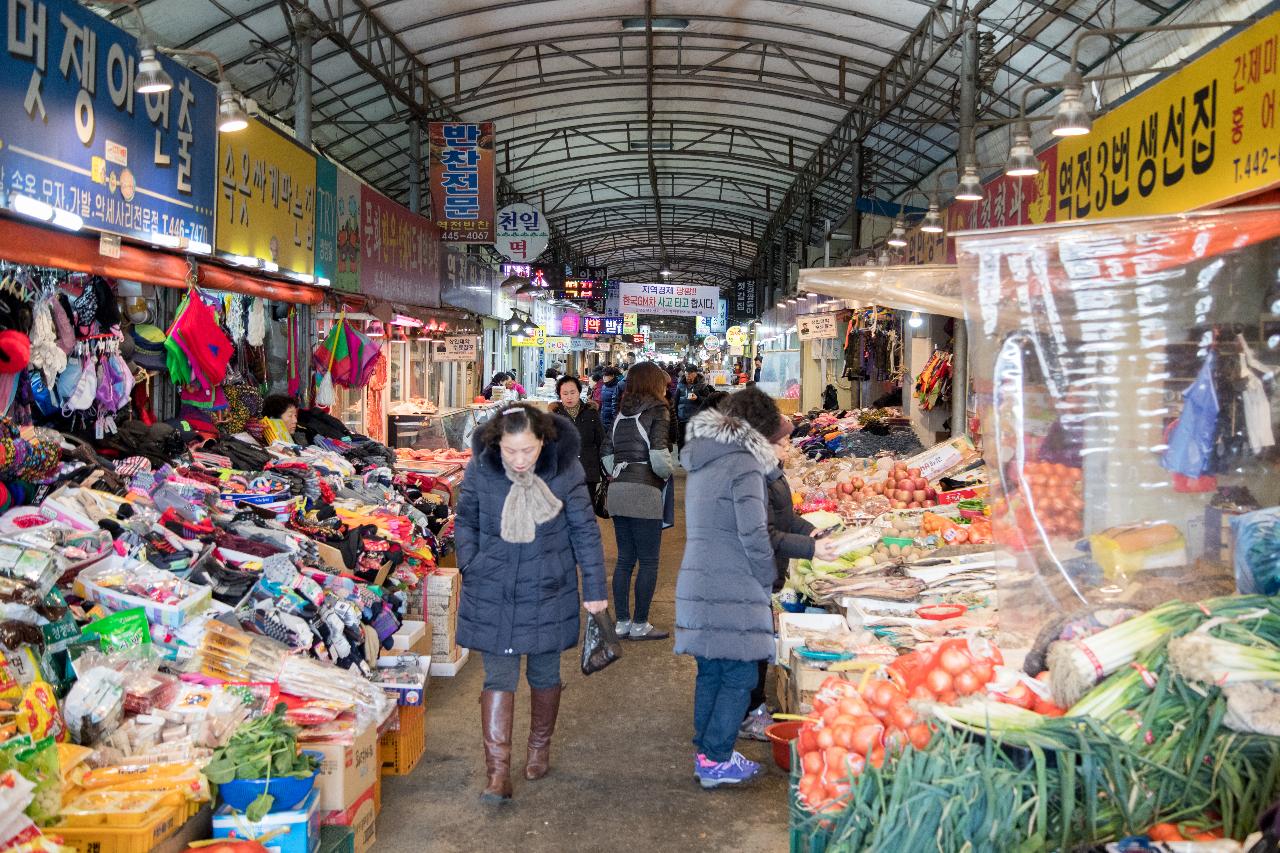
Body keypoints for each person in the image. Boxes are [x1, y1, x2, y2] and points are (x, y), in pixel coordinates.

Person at [454, 404, 608, 803]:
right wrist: (471, 563)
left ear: (544, 441)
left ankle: (539, 747)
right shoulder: (480, 469)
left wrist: (594, 589)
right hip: (494, 587)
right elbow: (465, 520)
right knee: (498, 677)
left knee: (544, 672)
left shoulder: (565, 471)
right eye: (510, 451)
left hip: (548, 587)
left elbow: (585, 532)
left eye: (528, 450)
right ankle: (498, 773)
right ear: (496, 444)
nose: (520, 460)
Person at [674, 387, 781, 787]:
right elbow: (753, 532)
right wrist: (767, 574)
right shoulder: (744, 465)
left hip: (699, 574)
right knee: (739, 675)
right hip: (732, 579)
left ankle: (707, 748)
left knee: (712, 669)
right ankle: (716, 759)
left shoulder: (705, 454)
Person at [740, 413, 842, 742]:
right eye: (782, 442)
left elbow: (784, 519)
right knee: (750, 647)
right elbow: (765, 535)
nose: (788, 448)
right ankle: (748, 714)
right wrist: (810, 550)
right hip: (750, 572)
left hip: (767, 572)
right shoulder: (751, 479)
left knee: (756, 642)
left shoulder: (772, 473)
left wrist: (810, 530)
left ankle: (752, 708)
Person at [601, 361, 673, 641]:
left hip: (618, 491)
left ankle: (621, 623)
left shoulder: (621, 412)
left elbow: (606, 454)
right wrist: (664, 473)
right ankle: (640, 624)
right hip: (645, 492)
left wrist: (620, 472)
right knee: (649, 561)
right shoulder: (659, 410)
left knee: (625, 560)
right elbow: (659, 456)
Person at [549, 376, 605, 492]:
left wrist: (604, 471)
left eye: (572, 392)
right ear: (560, 395)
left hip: (588, 472)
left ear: (579, 392)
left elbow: (601, 442)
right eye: (565, 393)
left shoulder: (591, 413)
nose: (569, 397)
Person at [676, 365, 711, 449]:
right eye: (687, 374)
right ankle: (682, 460)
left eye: (690, 374)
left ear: (695, 374)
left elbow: (708, 401)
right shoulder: (680, 385)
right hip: (682, 419)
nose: (688, 376)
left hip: (696, 419)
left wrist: (697, 398)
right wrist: (675, 416)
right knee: (682, 441)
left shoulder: (702, 386)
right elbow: (676, 401)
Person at [598, 366, 624, 431]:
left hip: (613, 419)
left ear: (612, 376)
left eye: (606, 375)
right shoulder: (604, 386)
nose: (603, 377)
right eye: (603, 375)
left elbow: (618, 404)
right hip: (603, 418)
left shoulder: (618, 387)